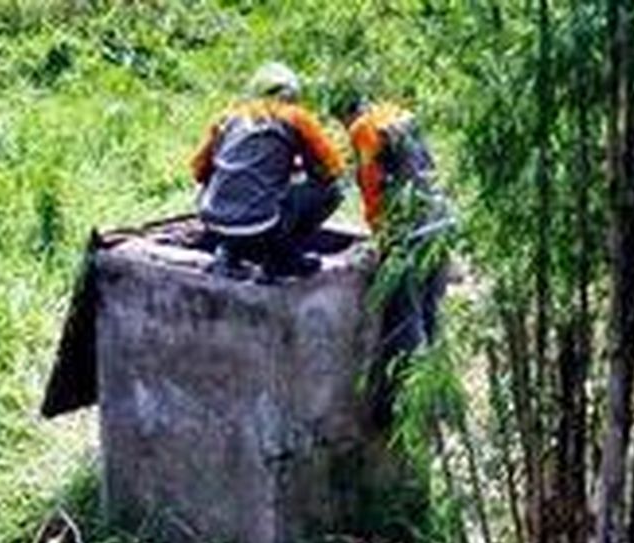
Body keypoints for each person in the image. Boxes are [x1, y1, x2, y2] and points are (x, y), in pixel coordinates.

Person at [334, 94, 456, 425]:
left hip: (410, 232)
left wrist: (382, 235)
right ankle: (441, 405)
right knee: (431, 314)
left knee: (407, 318)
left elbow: (373, 184)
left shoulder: (363, 128)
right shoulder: (400, 116)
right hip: (440, 221)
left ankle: (411, 412)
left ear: (345, 116)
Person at [191, 63, 345, 280]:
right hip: (260, 225)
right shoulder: (294, 117)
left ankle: (229, 251)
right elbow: (332, 169)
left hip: (215, 221)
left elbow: (198, 171)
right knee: (331, 191)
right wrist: (302, 167)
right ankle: (282, 258)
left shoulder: (228, 118)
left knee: (227, 190)